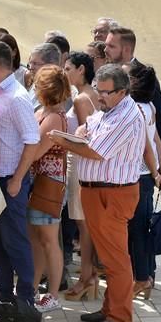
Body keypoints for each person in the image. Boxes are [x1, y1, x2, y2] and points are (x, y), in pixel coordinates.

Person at [49, 64, 145, 322]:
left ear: (122, 91)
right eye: (99, 91)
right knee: (108, 256)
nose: (99, 97)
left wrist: (63, 140)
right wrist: (79, 133)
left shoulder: (127, 116)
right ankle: (109, 308)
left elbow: (93, 151)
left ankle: (119, 317)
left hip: (112, 194)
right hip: (96, 192)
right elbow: (90, 126)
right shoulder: (110, 110)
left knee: (115, 260)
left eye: (105, 92)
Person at [0, 41, 40, 310]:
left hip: (10, 181)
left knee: (15, 240)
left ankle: (26, 296)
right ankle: (5, 292)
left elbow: (32, 140)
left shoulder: (17, 98)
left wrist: (18, 179)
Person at [27, 65, 70, 313]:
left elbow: (36, 151)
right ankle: (33, 287)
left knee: (49, 241)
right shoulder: (46, 112)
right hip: (40, 184)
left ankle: (52, 294)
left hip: (48, 186)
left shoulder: (53, 117)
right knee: (37, 239)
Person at [126, 63, 161, 299]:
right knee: (142, 227)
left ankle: (142, 278)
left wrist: (156, 173)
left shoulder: (135, 109)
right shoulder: (150, 107)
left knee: (137, 230)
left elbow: (147, 147)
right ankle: (145, 275)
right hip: (147, 176)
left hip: (139, 176)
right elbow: (157, 141)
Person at [62, 52, 100, 302]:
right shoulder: (92, 94)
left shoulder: (82, 99)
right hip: (85, 165)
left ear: (81, 69)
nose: (65, 73)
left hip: (80, 163)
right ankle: (89, 276)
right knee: (85, 224)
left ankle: (86, 278)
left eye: (68, 68)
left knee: (83, 224)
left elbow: (90, 137)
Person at [104, 26, 161, 154]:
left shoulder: (142, 75)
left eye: (111, 46)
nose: (105, 50)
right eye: (106, 45)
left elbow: (160, 111)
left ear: (126, 49)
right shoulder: (108, 71)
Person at [26, 43, 61, 111]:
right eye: (30, 63)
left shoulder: (57, 94)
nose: (31, 68)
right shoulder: (35, 83)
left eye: (35, 63)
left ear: (50, 66)